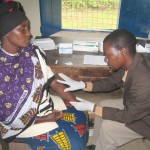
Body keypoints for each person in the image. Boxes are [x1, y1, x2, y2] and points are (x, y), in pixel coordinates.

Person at [0, 1, 89, 150]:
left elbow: (53, 82)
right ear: (5, 33)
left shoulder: (31, 52)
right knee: (72, 145)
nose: (29, 33)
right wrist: (44, 119)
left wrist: (78, 102)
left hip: (45, 104)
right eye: (22, 29)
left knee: (81, 113)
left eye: (27, 26)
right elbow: (8, 118)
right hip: (21, 123)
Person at [57, 29, 150, 150]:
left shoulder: (143, 82)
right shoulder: (131, 61)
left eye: (108, 55)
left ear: (123, 51)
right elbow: (111, 82)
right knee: (103, 104)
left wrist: (93, 108)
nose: (105, 59)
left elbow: (128, 117)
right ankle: (96, 145)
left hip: (145, 120)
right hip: (135, 105)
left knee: (108, 128)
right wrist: (83, 85)